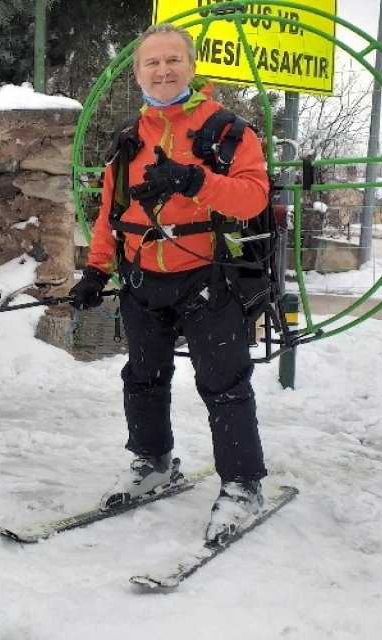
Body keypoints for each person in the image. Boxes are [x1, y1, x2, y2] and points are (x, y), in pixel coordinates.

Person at [68, 24, 271, 544]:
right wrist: (95, 271)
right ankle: (152, 462)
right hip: (142, 278)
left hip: (209, 279)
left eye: (173, 60)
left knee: (223, 385)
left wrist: (193, 180)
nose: (163, 71)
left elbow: (252, 199)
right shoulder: (127, 141)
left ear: (192, 66)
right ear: (136, 73)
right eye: (152, 63)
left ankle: (243, 485)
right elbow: (109, 217)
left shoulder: (228, 132)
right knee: (142, 378)